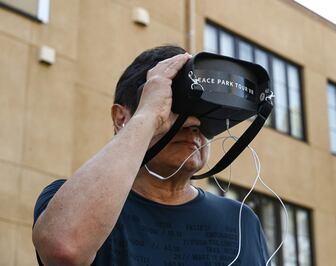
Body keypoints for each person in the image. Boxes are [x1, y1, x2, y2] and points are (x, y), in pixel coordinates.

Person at [32, 45, 269, 265]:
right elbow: (63, 249)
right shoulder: (67, 201)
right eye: (176, 109)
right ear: (121, 118)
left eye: (203, 116)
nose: (193, 124)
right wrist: (150, 115)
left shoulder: (241, 221)